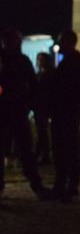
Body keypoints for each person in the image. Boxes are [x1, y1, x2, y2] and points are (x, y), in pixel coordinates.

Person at [0, 27, 48, 197]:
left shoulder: (21, 60)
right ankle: (36, 185)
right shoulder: (10, 60)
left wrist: (29, 103)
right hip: (8, 110)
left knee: (25, 150)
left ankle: (36, 185)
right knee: (18, 149)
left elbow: (33, 85)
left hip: (17, 110)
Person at [47, 30, 80, 202]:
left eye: (61, 41)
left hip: (67, 112)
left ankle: (69, 186)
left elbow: (66, 87)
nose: (59, 45)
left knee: (68, 148)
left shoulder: (75, 62)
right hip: (63, 111)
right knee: (61, 149)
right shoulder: (72, 61)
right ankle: (62, 184)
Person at [33, 51, 54, 165]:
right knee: (41, 131)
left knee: (42, 130)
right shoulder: (40, 74)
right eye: (39, 59)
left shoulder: (49, 74)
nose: (40, 62)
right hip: (39, 106)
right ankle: (42, 154)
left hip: (44, 105)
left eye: (42, 59)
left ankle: (41, 154)